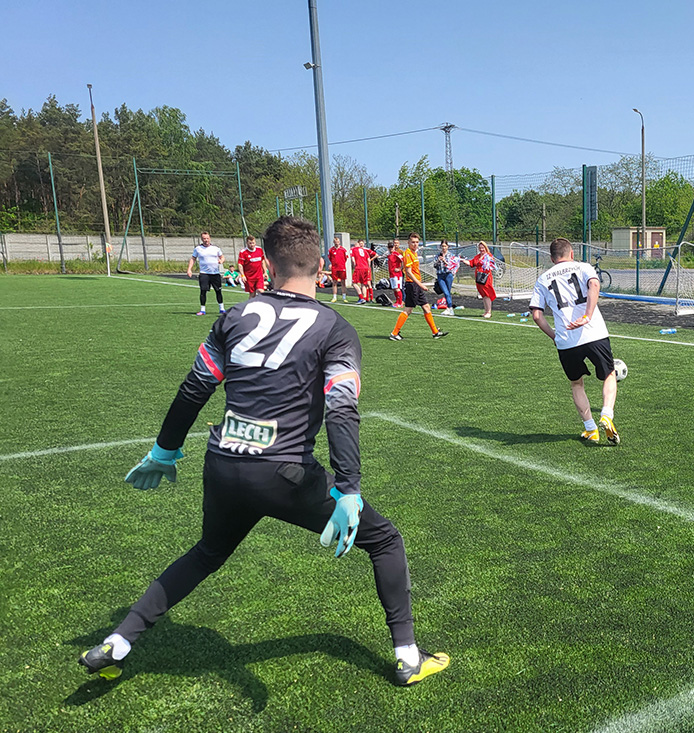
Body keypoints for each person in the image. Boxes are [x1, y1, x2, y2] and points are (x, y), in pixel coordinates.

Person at [77, 216, 449, 687]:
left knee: (208, 552)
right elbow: (341, 409)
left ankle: (119, 641)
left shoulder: (234, 317)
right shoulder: (334, 328)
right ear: (320, 265)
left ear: (268, 265)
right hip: (284, 473)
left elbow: (194, 388)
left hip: (224, 464)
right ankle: (408, 656)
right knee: (385, 540)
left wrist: (164, 451)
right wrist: (349, 487)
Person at [529, 238, 621, 445]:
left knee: (576, 383)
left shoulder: (542, 279)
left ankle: (591, 429)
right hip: (594, 333)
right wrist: (587, 315)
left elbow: (536, 316)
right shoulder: (583, 267)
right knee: (609, 374)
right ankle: (606, 414)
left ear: (552, 258)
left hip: (566, 340)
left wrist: (555, 337)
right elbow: (594, 284)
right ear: (571, 254)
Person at [389, 232, 447, 341]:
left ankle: (435, 332)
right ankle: (394, 333)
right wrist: (420, 284)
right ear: (408, 242)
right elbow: (408, 272)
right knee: (408, 309)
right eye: (413, 242)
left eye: (416, 242)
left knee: (426, 307)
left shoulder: (414, 253)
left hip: (416, 285)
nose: (415, 244)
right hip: (412, 285)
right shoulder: (408, 253)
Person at [186, 232, 225, 316]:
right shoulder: (198, 249)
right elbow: (193, 258)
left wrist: (221, 260)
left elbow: (222, 257)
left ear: (209, 238)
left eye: (207, 238)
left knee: (218, 291)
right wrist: (189, 269)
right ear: (202, 239)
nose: (206, 240)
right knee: (203, 291)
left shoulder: (216, 248)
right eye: (204, 238)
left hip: (215, 273)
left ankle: (222, 309)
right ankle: (202, 310)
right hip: (204, 274)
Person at [467, 241, 499, 318]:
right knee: (483, 294)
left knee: (487, 294)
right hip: (479, 277)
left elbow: (491, 264)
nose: (481, 249)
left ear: (485, 248)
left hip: (486, 277)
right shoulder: (477, 256)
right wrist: (461, 260)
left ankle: (489, 312)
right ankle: (486, 311)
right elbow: (471, 263)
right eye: (480, 248)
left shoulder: (488, 256)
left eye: (483, 248)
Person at [433, 240, 462, 315]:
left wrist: (444, 261)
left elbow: (452, 265)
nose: (444, 248)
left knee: (448, 292)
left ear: (447, 247)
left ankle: (449, 308)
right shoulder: (438, 255)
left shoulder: (451, 255)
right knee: (445, 291)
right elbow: (434, 265)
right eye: (442, 246)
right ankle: (449, 308)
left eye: (445, 246)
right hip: (440, 275)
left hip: (448, 274)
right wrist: (438, 260)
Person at [349, 239, 376, 304]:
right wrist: (368, 267)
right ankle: (364, 298)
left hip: (359, 268)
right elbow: (368, 260)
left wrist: (354, 266)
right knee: (363, 284)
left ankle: (361, 297)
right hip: (366, 268)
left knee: (354, 283)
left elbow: (353, 260)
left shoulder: (353, 249)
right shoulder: (364, 250)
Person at [326, 236, 349, 302]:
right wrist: (333, 264)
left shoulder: (343, 250)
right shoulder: (331, 250)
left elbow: (346, 258)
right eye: (335, 242)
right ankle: (334, 297)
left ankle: (344, 297)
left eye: (338, 242)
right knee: (334, 282)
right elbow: (330, 258)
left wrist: (342, 264)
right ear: (334, 242)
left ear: (339, 242)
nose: (337, 243)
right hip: (334, 268)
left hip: (342, 268)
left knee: (343, 282)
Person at [386, 239, 404, 308]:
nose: (391, 248)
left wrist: (400, 268)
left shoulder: (397, 254)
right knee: (394, 288)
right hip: (392, 274)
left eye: (392, 247)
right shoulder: (389, 255)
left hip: (397, 274)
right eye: (389, 247)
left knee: (397, 288)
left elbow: (404, 260)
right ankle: (397, 301)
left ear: (394, 247)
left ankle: (400, 302)